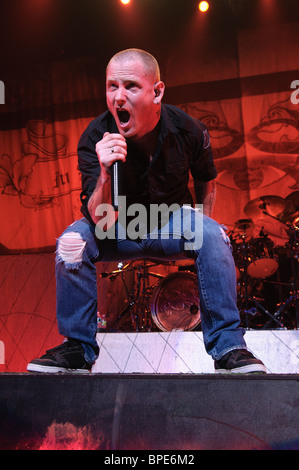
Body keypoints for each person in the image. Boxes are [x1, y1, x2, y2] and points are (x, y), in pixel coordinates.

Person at [27, 48, 266, 374]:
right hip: (115, 225)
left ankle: (228, 349)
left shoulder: (188, 130)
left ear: (157, 92)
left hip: (169, 222)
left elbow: (207, 181)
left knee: (213, 235)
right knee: (72, 242)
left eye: (131, 86)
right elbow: (98, 219)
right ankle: (78, 350)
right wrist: (104, 169)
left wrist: (201, 228)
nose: (119, 97)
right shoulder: (95, 137)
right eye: (112, 86)